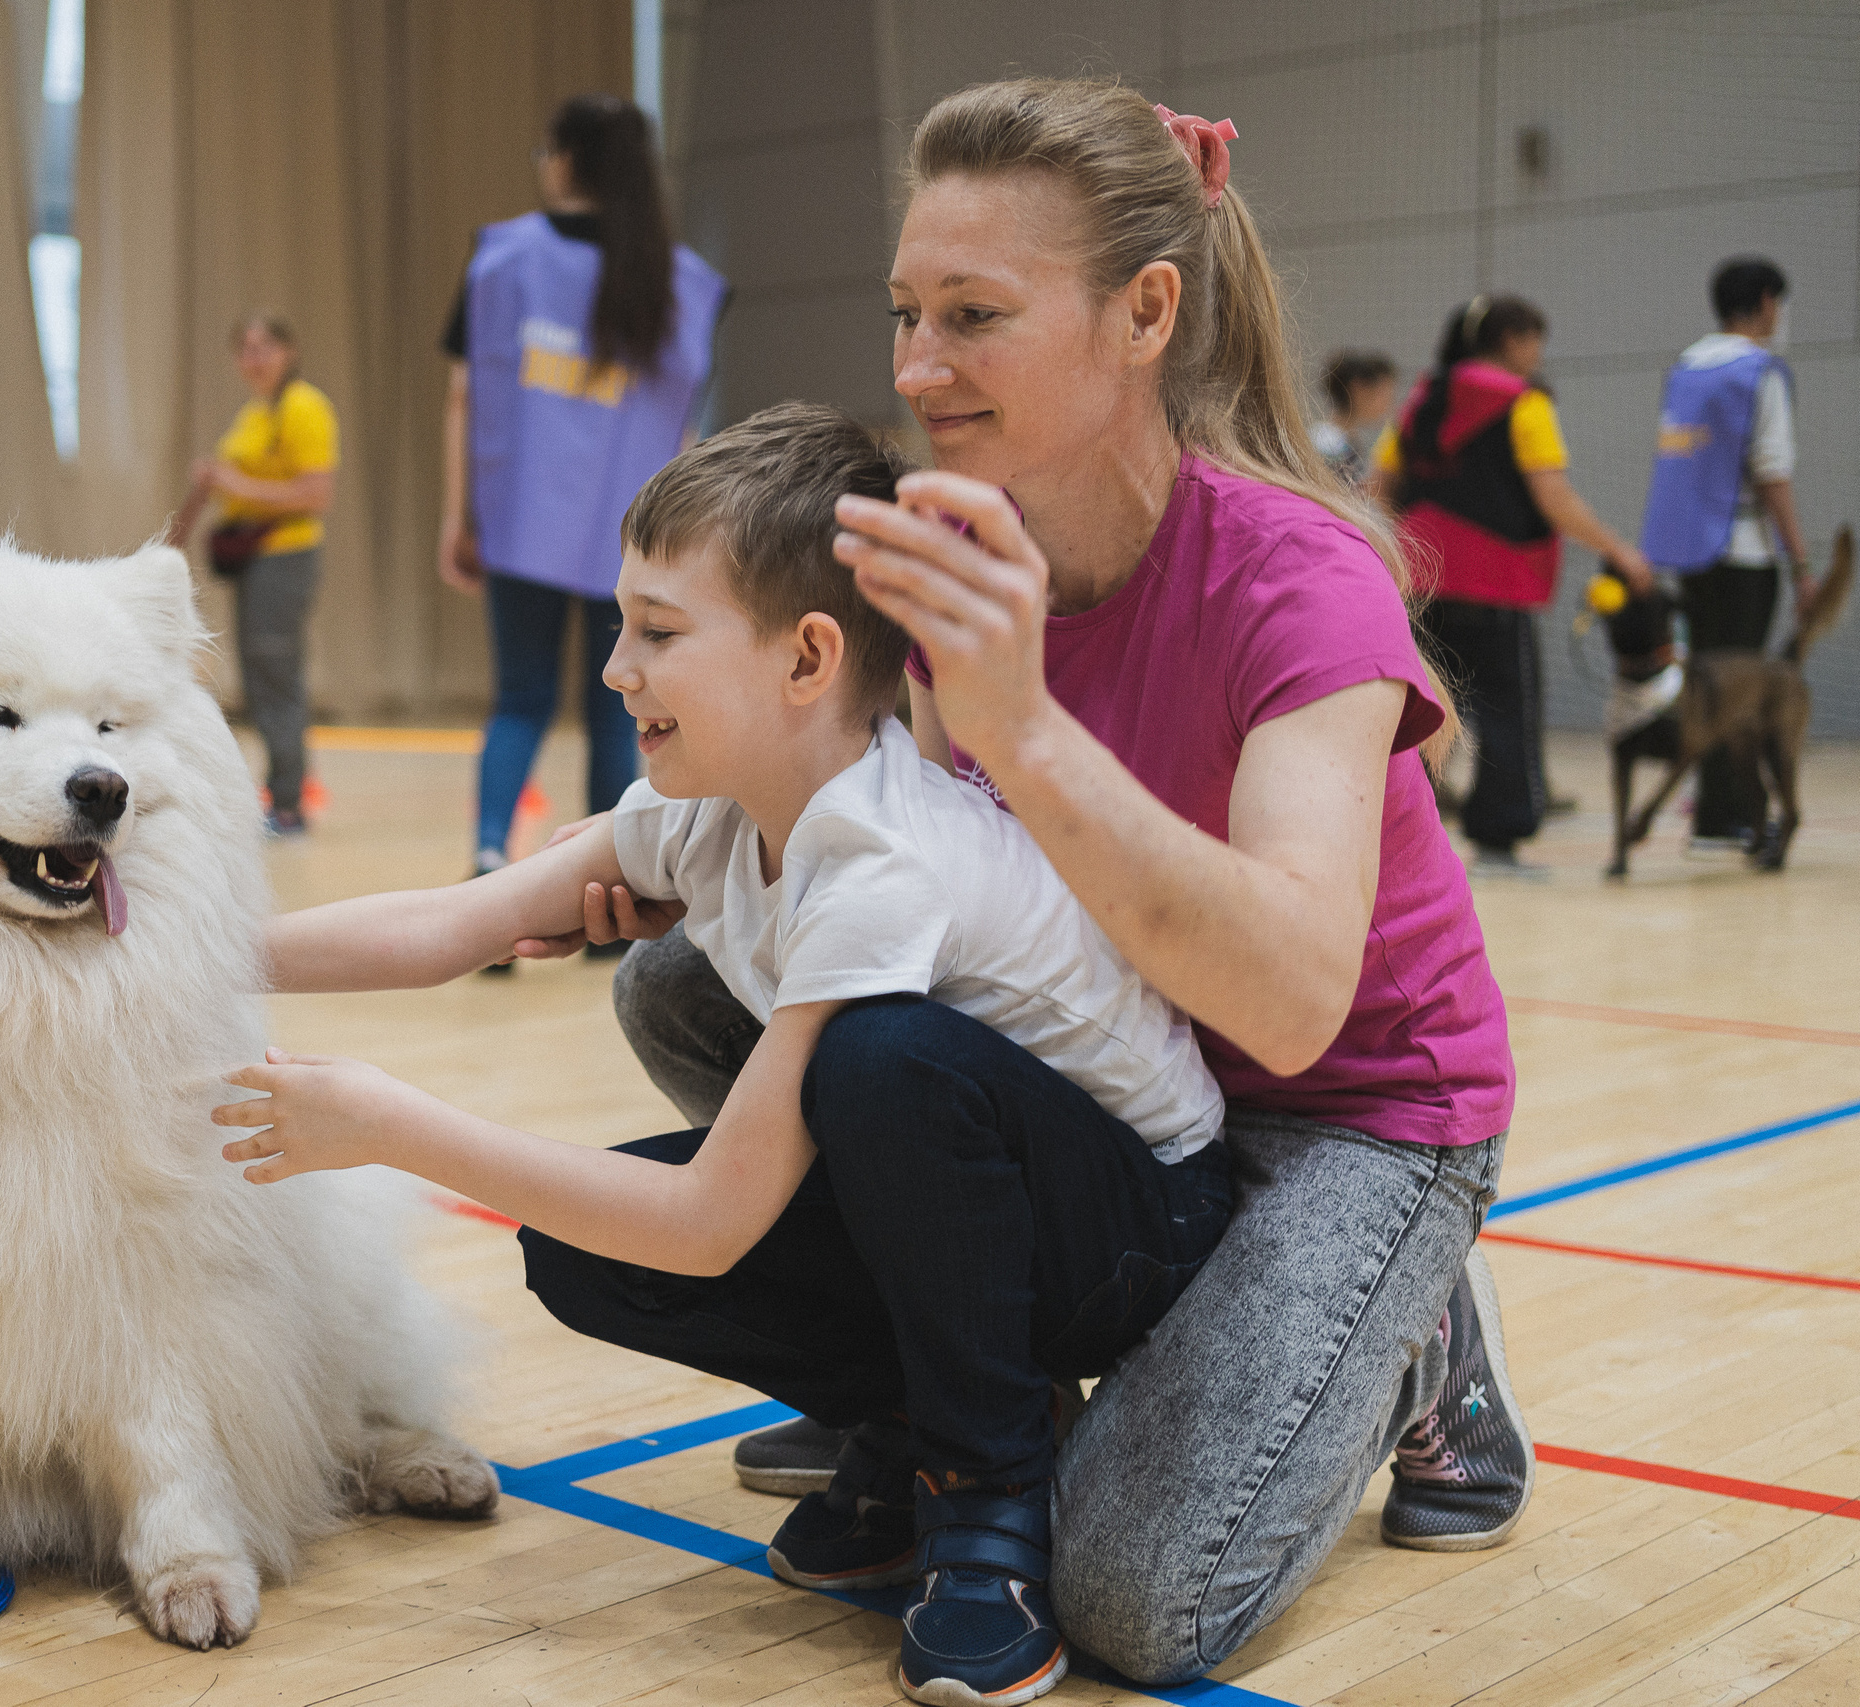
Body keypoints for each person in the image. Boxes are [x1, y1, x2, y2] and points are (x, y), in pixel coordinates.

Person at [519, 81, 1534, 1690]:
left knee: (1138, 1604)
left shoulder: (1302, 579)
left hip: (1345, 1106)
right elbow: (917, 892)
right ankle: (943, 1394)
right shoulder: (941, 550)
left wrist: (1028, 730)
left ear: (1145, 314)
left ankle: (1416, 1345)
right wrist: (711, 851)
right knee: (689, 980)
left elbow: (1287, 991)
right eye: (908, 311)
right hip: (1133, 1071)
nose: (918, 367)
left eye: (975, 316)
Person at [218, 404, 1234, 1706]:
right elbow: (443, 924)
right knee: (578, 1233)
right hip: (995, 1202)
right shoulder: (698, 815)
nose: (616, 668)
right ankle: (929, 1408)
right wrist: (189, 948)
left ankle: (985, 1496)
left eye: (658, 631)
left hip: (1143, 1224)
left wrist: (384, 1121)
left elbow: (710, 1221)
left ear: (808, 657)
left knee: (878, 1059)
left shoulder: (881, 857)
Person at [439, 93, 728, 892]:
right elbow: (685, 437)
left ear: (565, 161)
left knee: (520, 699)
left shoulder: (500, 258)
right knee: (618, 705)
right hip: (628, 540)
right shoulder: (686, 284)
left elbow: (463, 398)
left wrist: (455, 517)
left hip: (518, 526)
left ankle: (493, 857)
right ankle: (614, 881)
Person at [1372, 295, 1650, 871]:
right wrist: (1617, 547)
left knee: (1419, 710)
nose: (1537, 353)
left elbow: (1377, 489)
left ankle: (1399, 841)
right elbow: (1555, 500)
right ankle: (1497, 840)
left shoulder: (1424, 399)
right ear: (1513, 340)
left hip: (1418, 581)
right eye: (1535, 340)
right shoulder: (1524, 405)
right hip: (1495, 583)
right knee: (1506, 710)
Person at [1638, 256, 1813, 844]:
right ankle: (1730, 815)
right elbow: (1773, 475)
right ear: (1766, 301)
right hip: (1742, 551)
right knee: (1742, 691)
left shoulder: (1686, 368)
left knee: (1703, 685)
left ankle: (1711, 810)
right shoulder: (1760, 372)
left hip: (1689, 551)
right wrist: (1802, 564)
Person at [163, 313, 340, 838]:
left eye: (265, 346)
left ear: (289, 351)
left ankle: (288, 802)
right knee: (262, 678)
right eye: (245, 348)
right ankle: (280, 791)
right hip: (254, 560)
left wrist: (234, 480)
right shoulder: (254, 414)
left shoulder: (305, 407)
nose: (254, 358)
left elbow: (316, 494)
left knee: (277, 676)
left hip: (285, 556)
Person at [1310, 350, 1395, 486]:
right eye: (1382, 394)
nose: (1388, 404)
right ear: (1358, 389)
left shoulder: (1347, 440)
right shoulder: (1328, 444)